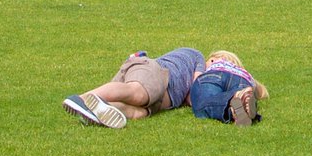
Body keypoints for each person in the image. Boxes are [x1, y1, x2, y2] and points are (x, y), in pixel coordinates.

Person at [63, 47, 206, 128]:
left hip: (159, 99)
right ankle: (81, 99)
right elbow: (196, 90)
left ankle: (97, 111)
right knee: (138, 93)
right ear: (213, 59)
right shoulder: (197, 56)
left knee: (138, 113)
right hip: (153, 72)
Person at [186, 49, 268, 126]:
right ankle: (239, 100)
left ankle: (235, 100)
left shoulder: (214, 64)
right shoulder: (243, 72)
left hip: (213, 76)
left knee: (203, 102)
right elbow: (257, 89)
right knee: (243, 95)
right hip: (242, 80)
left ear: (212, 60)